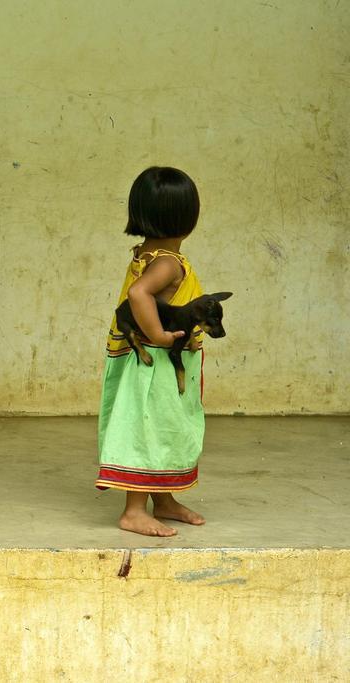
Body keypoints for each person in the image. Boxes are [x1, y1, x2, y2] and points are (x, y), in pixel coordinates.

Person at [96, 166, 211, 536]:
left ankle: (163, 500)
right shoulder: (168, 263)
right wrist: (160, 336)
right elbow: (138, 293)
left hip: (153, 365)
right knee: (148, 429)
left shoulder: (147, 252)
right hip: (155, 367)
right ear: (188, 218)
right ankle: (133, 510)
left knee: (163, 428)